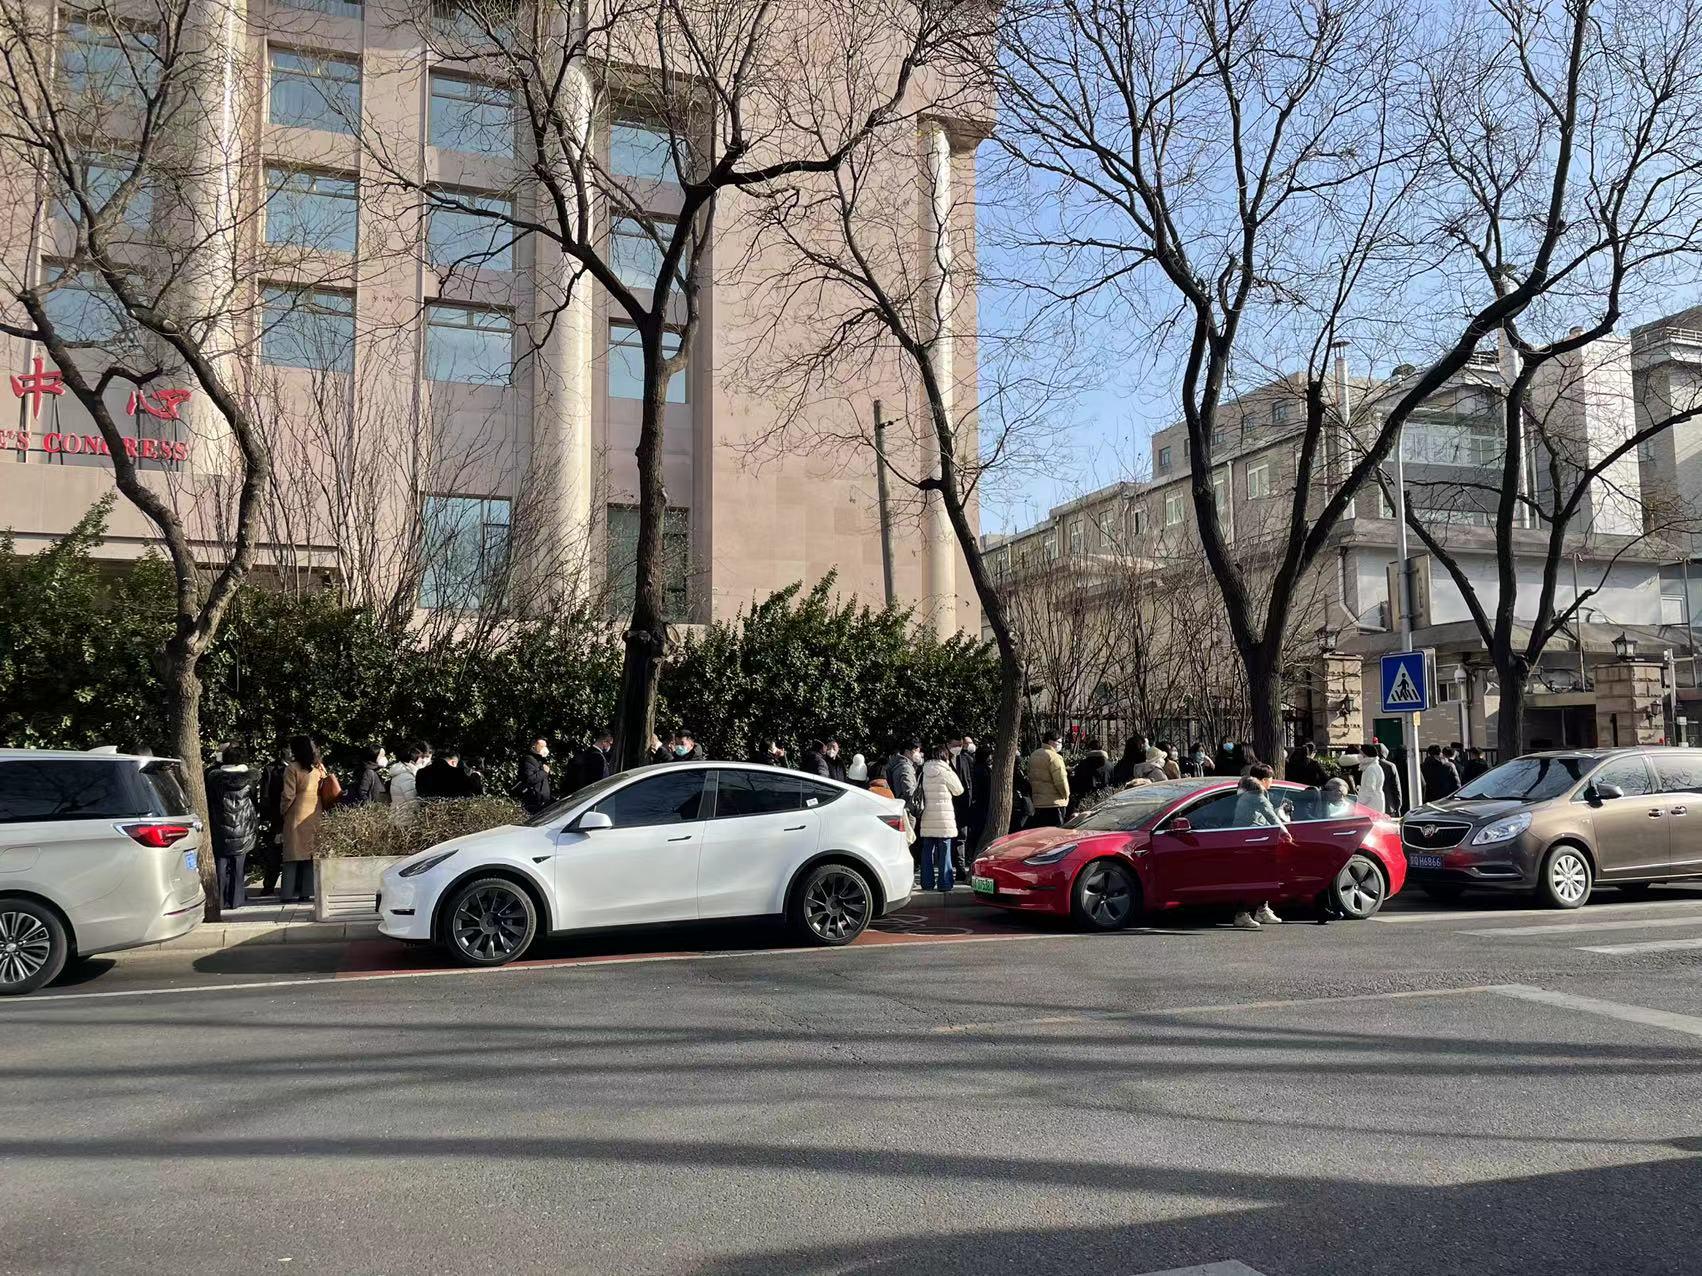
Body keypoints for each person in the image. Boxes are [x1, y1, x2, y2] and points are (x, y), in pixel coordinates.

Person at [1229, 763, 1291, 930]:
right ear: (1264, 780)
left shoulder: (1245, 791)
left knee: (1258, 877)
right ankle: (1244, 914)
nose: (1272, 782)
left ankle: (1260, 909)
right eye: (1271, 779)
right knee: (1253, 877)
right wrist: (1285, 832)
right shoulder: (1256, 795)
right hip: (1251, 841)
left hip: (1245, 839)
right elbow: (1270, 815)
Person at [206, 744, 257, 911]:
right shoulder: (250, 779)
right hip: (243, 828)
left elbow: (210, 801)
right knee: (238, 866)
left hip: (220, 826)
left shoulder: (214, 779)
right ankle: (236, 901)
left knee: (220, 864)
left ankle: (219, 901)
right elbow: (254, 801)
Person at [279, 735, 328, 905]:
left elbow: (288, 795)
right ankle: (307, 892)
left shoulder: (292, 768)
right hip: (315, 811)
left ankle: (287, 893)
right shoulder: (319, 767)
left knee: (291, 856)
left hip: (296, 812)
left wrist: (283, 811)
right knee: (310, 855)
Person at [919, 745, 966, 891]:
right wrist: (950, 769)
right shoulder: (946, 771)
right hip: (944, 818)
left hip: (927, 816)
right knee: (945, 851)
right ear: (945, 756)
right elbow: (959, 790)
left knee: (927, 851)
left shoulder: (923, 771)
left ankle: (927, 883)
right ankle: (944, 883)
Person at [1026, 731, 1069, 828]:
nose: (1061, 745)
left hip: (1038, 802)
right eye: (1059, 742)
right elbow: (1061, 780)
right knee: (1055, 832)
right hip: (1054, 803)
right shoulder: (1055, 757)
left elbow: (1030, 775)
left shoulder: (1034, 755)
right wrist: (1066, 795)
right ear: (1051, 742)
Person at [950, 736, 977, 875]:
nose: (958, 748)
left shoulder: (966, 760)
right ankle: (953, 867)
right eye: (955, 745)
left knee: (962, 837)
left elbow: (971, 781)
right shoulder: (944, 761)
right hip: (949, 805)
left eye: (960, 745)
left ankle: (960, 869)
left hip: (963, 805)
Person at [1069, 738, 1112, 815]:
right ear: (1101, 748)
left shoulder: (1083, 764)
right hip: (1105, 798)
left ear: (1089, 749)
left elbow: (1076, 782)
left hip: (1085, 799)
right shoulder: (1109, 765)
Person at [387, 742, 427, 824]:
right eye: (421, 759)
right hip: (406, 819)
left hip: (398, 816)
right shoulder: (407, 777)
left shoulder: (401, 774)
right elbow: (413, 801)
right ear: (412, 762)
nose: (423, 761)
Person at [885, 740, 924, 823]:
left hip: (900, 807)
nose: (919, 754)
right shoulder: (906, 767)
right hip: (907, 810)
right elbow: (909, 791)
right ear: (907, 751)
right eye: (916, 751)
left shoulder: (898, 764)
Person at [514, 738, 553, 815]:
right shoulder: (529, 760)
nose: (545, 749)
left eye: (545, 746)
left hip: (544, 801)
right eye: (542, 746)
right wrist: (544, 772)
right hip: (536, 802)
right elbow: (530, 779)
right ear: (534, 746)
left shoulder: (540, 759)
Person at [1355, 742, 1388, 814]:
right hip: (1374, 801)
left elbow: (1370, 789)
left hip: (1371, 804)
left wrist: (1360, 802)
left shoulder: (1371, 769)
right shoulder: (1373, 766)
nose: (1359, 755)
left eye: (1361, 753)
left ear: (1366, 754)